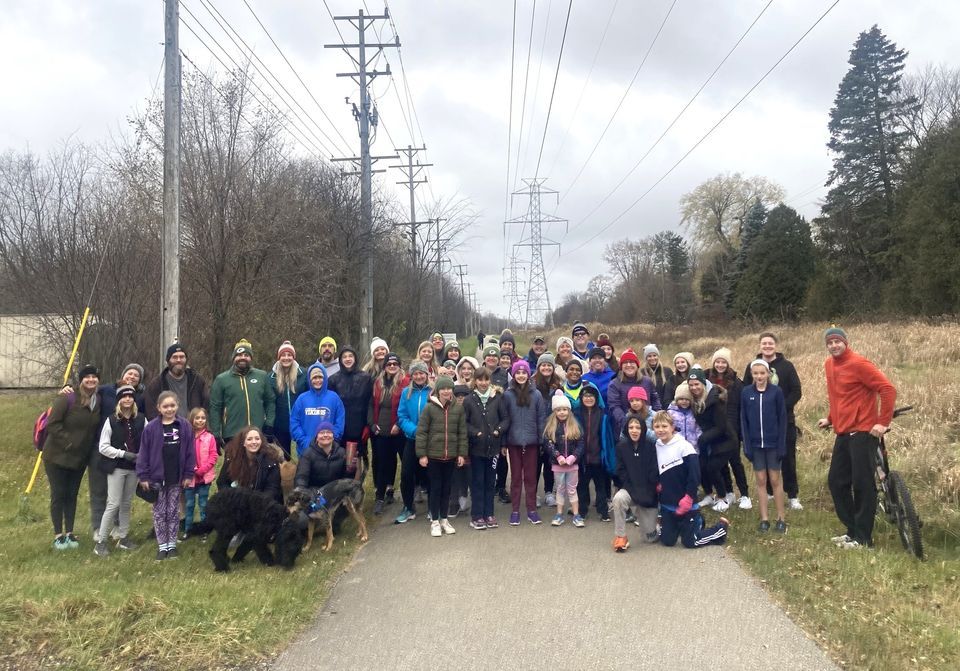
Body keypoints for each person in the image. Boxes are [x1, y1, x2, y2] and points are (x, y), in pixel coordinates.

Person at [817, 327, 896, 549]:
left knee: (862, 484)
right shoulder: (829, 365)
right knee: (836, 482)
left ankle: (864, 538)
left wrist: (882, 422)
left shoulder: (859, 364)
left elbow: (887, 389)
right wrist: (831, 418)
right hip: (843, 432)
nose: (834, 346)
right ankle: (852, 530)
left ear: (845, 342)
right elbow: (839, 397)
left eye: (837, 342)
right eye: (830, 342)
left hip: (863, 432)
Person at [743, 332, 803, 510]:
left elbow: (796, 390)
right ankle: (769, 492)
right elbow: (746, 390)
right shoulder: (752, 367)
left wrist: (780, 409)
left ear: (775, 345)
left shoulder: (787, 366)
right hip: (760, 424)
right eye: (764, 344)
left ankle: (792, 495)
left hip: (785, 421)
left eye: (770, 343)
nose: (767, 346)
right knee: (765, 460)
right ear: (760, 346)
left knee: (787, 458)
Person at [43, 364, 101, 550]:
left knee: (72, 495)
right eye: (87, 377)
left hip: (79, 458)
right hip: (57, 456)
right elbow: (52, 424)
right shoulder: (67, 397)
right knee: (59, 494)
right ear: (81, 380)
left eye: (94, 377)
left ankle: (70, 532)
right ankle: (58, 535)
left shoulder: (96, 401)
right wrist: (67, 442)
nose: (91, 380)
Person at [652, 411, 729, 548]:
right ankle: (692, 524)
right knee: (668, 541)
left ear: (672, 427)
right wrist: (658, 483)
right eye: (657, 427)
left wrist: (689, 497)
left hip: (686, 502)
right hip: (667, 504)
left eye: (664, 426)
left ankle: (719, 529)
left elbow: (694, 475)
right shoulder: (656, 446)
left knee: (691, 542)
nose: (661, 430)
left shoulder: (684, 446)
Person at [137, 391, 195, 561]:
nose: (169, 409)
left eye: (172, 406)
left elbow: (190, 453)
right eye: (165, 406)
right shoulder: (151, 428)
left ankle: (172, 544)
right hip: (156, 478)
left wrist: (188, 474)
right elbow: (143, 453)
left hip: (176, 477)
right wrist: (143, 476)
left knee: (173, 511)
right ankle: (162, 545)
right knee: (159, 512)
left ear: (177, 406)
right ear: (159, 408)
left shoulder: (184, 426)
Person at [93, 384, 144, 556]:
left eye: (130, 396)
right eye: (124, 396)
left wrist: (142, 456)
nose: (127, 399)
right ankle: (101, 541)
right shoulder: (111, 420)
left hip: (134, 468)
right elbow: (103, 447)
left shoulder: (141, 419)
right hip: (117, 467)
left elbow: (148, 441)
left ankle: (123, 537)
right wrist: (123, 454)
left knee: (126, 503)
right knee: (113, 503)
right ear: (119, 400)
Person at [416, 376, 468, 537]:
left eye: (448, 388)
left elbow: (462, 433)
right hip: (433, 456)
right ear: (437, 391)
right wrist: (422, 454)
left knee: (447, 489)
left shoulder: (457, 408)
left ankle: (444, 519)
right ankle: (435, 521)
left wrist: (461, 454)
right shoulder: (429, 408)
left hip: (451, 456)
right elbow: (422, 432)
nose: (446, 391)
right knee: (436, 489)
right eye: (443, 389)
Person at [741, 359, 788, 533]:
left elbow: (782, 419)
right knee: (761, 481)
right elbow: (743, 421)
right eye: (756, 373)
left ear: (768, 374)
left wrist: (782, 445)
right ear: (752, 374)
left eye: (762, 373)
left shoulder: (776, 392)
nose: (759, 376)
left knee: (775, 480)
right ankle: (764, 519)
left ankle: (781, 518)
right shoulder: (746, 393)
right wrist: (746, 445)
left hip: (773, 444)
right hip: (756, 445)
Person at [501, 360, 547, 526]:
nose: (521, 375)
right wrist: (504, 443)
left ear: (529, 375)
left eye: (524, 373)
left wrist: (542, 441)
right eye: (518, 373)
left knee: (530, 478)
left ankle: (531, 509)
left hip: (532, 442)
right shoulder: (507, 395)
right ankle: (515, 510)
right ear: (513, 375)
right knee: (515, 479)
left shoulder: (536, 395)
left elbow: (541, 419)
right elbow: (504, 420)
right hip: (513, 442)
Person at [463, 366, 509, 530]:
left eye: (486, 379)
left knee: (490, 482)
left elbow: (505, 419)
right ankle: (477, 516)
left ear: (490, 380)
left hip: (493, 449)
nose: (483, 383)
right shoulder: (469, 399)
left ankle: (489, 513)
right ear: (475, 381)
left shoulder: (497, 397)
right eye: (480, 379)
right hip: (475, 449)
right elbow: (464, 423)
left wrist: (498, 431)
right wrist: (476, 433)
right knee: (477, 482)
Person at [687, 369, 738, 513]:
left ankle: (723, 498)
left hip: (726, 440)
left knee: (713, 467)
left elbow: (721, 427)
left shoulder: (715, 400)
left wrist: (702, 439)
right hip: (711, 441)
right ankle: (713, 494)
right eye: (691, 385)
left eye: (697, 384)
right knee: (704, 466)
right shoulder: (695, 401)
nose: (694, 387)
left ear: (703, 383)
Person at [209, 339, 276, 447]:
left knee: (258, 463)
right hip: (232, 434)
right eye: (239, 355)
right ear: (234, 358)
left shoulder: (262, 376)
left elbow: (270, 401)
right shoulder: (221, 379)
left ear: (251, 358)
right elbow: (215, 408)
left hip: (257, 434)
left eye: (246, 355)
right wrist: (216, 433)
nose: (243, 357)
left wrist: (269, 423)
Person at [707, 347, 751, 510]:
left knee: (735, 462)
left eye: (723, 362)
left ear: (728, 364)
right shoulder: (707, 378)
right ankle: (729, 492)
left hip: (731, 428)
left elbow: (738, 407)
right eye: (717, 361)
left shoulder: (737, 383)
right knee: (720, 463)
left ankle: (745, 494)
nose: (720, 364)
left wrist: (736, 430)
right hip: (714, 427)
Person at [368, 353, 409, 514]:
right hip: (381, 431)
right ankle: (380, 498)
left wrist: (399, 424)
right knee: (382, 466)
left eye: (395, 363)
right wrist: (372, 424)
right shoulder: (377, 383)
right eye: (389, 364)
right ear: (384, 366)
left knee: (406, 466)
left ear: (399, 365)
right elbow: (370, 405)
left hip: (399, 431)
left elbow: (407, 407)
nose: (392, 366)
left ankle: (408, 500)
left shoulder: (406, 382)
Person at [611, 416, 659, 551]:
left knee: (650, 538)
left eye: (638, 427)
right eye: (631, 427)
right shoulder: (621, 447)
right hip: (630, 490)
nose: (634, 430)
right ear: (627, 429)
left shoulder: (651, 447)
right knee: (618, 499)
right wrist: (632, 489)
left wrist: (647, 491)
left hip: (648, 494)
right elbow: (620, 471)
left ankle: (657, 525)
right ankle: (621, 537)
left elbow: (654, 472)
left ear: (643, 429)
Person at [395, 361, 433, 524]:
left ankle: (434, 506)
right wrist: (414, 431)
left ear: (426, 374)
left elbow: (439, 414)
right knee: (406, 474)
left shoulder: (433, 391)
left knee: (430, 474)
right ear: (411, 376)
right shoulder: (406, 393)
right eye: (415, 373)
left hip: (430, 441)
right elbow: (402, 416)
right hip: (411, 439)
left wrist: (426, 432)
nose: (419, 376)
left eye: (421, 373)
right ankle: (408, 507)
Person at [329, 346, 373, 478]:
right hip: (340, 427)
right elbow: (332, 406)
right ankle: (340, 492)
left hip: (359, 426)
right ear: (340, 360)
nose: (348, 359)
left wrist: (367, 425)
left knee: (355, 460)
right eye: (344, 357)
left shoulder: (366, 378)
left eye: (350, 356)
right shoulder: (333, 379)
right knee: (340, 460)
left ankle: (355, 492)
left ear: (355, 358)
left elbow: (369, 402)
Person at [543, 392, 585, 527]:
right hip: (558, 465)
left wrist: (574, 457)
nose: (562, 412)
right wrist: (558, 456)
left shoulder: (575, 425)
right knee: (560, 489)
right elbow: (548, 443)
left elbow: (581, 444)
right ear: (554, 411)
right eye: (559, 410)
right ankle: (559, 514)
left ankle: (576, 514)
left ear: (569, 410)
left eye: (564, 409)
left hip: (572, 465)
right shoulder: (551, 426)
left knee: (572, 489)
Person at [290, 363, 346, 458]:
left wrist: (332, 439)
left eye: (320, 377)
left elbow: (340, 421)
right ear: (309, 380)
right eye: (314, 378)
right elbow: (294, 422)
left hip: (328, 449)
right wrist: (304, 440)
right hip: (306, 450)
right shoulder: (302, 399)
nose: (318, 380)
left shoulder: (334, 397)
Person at [575, 385, 614, 522]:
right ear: (581, 398)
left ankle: (603, 511)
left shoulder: (603, 415)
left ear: (596, 398)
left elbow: (607, 438)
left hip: (599, 457)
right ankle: (582, 510)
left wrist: (607, 456)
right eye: (585, 396)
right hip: (582, 457)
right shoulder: (577, 414)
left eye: (591, 396)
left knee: (601, 486)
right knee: (582, 486)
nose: (588, 398)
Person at [216, 425, 283, 502]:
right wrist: (232, 498)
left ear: (261, 441)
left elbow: (272, 488)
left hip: (262, 504)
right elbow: (222, 483)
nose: (254, 442)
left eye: (257, 439)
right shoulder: (232, 459)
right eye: (249, 439)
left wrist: (256, 502)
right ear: (243, 443)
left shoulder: (271, 460)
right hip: (236, 502)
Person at [607, 348, 661, 439]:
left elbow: (655, 399)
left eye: (632, 362)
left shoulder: (647, 381)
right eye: (625, 363)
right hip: (626, 427)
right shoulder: (615, 384)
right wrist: (627, 423)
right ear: (621, 366)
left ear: (637, 365)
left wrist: (658, 417)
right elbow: (614, 406)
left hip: (648, 425)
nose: (628, 365)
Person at [145, 344, 210, 420]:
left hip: (193, 428)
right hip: (167, 429)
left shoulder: (197, 381)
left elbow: (206, 405)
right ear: (168, 360)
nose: (178, 360)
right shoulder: (157, 384)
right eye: (175, 357)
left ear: (186, 359)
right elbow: (151, 411)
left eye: (182, 357)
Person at [183, 407, 218, 539]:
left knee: (203, 504)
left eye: (203, 418)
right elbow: (182, 456)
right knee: (189, 504)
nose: (200, 420)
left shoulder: (210, 437)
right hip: (189, 478)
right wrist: (191, 470)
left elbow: (213, 456)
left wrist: (203, 470)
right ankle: (188, 529)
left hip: (204, 477)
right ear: (191, 419)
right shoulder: (186, 437)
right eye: (197, 418)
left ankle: (204, 530)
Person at [533, 352, 563, 507]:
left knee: (550, 463)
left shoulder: (558, 385)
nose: (546, 368)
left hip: (553, 430)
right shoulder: (532, 384)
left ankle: (549, 492)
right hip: (536, 430)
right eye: (543, 365)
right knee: (536, 464)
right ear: (539, 367)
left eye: (549, 365)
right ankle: (534, 494)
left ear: (553, 367)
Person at [270, 340, 307, 458]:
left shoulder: (304, 374)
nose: (286, 358)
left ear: (294, 357)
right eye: (283, 355)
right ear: (279, 357)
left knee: (305, 454)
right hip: (280, 425)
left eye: (289, 355)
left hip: (301, 423)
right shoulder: (270, 377)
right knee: (283, 458)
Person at [294, 421, 347, 490]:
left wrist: (351, 469)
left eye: (328, 432)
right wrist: (300, 491)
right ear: (317, 437)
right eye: (322, 433)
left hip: (335, 491)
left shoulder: (342, 453)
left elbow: (346, 478)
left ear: (333, 436)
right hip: (313, 493)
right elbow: (302, 477)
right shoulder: (308, 454)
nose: (325, 435)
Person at [667, 383, 700, 454]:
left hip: (693, 447)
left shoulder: (694, 412)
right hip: (676, 447)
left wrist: (699, 441)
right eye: (681, 399)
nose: (684, 401)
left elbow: (698, 428)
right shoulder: (671, 413)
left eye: (687, 399)